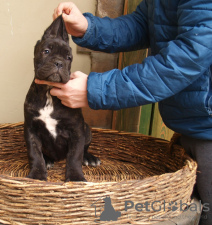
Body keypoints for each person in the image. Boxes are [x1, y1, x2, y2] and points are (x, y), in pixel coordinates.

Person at [35, 1, 212, 224]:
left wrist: (96, 89)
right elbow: (141, 25)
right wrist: (88, 27)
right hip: (191, 126)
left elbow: (189, 55)